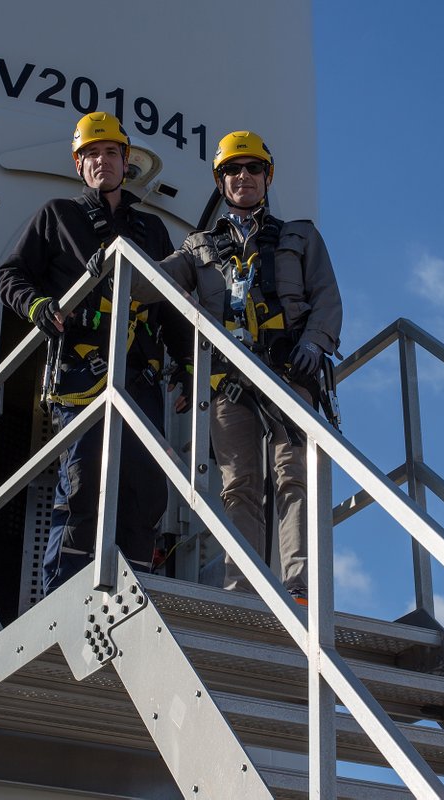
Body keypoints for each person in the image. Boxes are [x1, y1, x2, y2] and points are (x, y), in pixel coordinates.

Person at [0, 111, 181, 594]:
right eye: (92, 154)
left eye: (111, 153)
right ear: (80, 165)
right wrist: (36, 305)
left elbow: (170, 307)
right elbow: (10, 275)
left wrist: (184, 367)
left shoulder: (152, 231)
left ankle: (137, 589)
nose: (102, 161)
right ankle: (66, 593)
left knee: (144, 488)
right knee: (82, 483)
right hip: (82, 373)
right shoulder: (58, 217)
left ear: (126, 162)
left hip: (139, 376)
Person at [156, 131, 342, 603]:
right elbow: (151, 282)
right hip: (230, 384)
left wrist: (316, 345)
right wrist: (109, 265)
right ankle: (245, 589)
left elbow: (326, 298)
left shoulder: (300, 236)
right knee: (238, 486)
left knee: (293, 476)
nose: (244, 177)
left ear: (267, 177)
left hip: (289, 375)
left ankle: (298, 587)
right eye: (233, 170)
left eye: (253, 169)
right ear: (221, 181)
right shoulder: (198, 248)